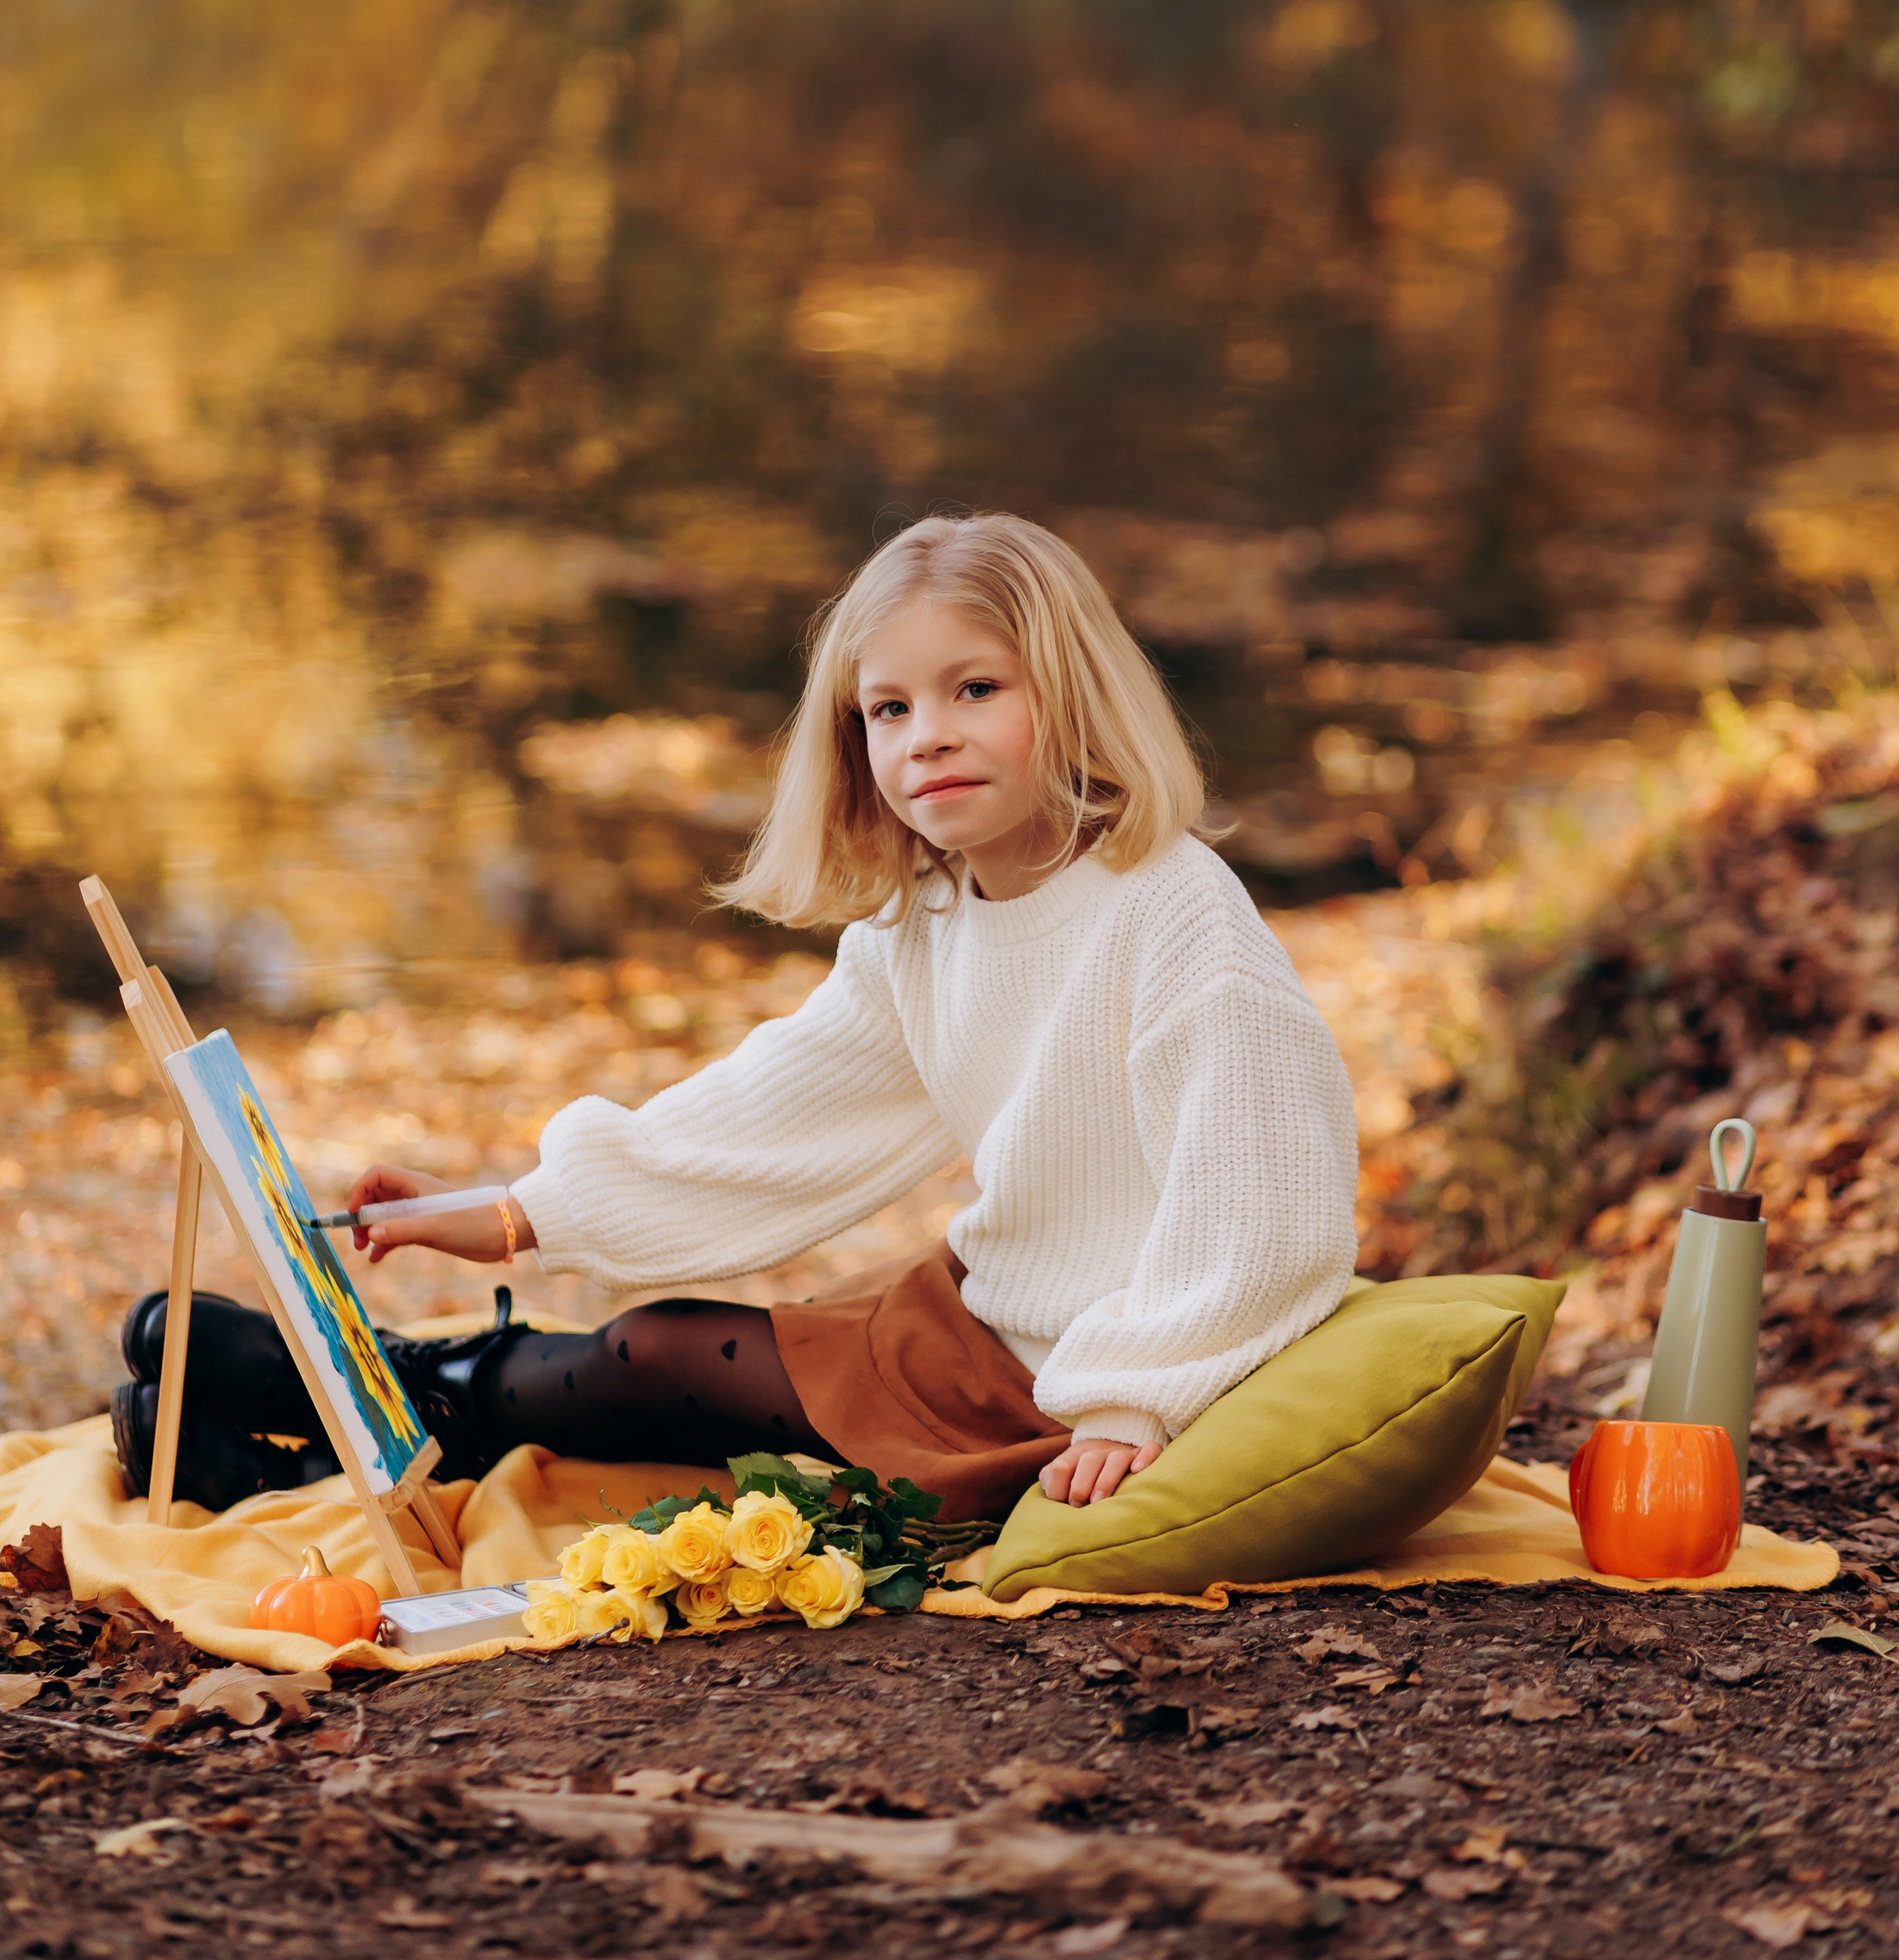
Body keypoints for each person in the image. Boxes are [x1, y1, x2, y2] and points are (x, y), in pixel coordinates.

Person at [113, 513, 1359, 1522]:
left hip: (1093, 1372)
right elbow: (768, 1124)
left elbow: (1265, 1201)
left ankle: (345, 1405)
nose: (930, 739)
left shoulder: (1174, 917)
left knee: (662, 1355)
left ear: (1074, 693)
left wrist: (1135, 1399)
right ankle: (336, 1435)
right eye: (890, 711)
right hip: (987, 1312)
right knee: (664, 1367)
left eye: (976, 689)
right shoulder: (929, 921)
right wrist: (512, 1213)